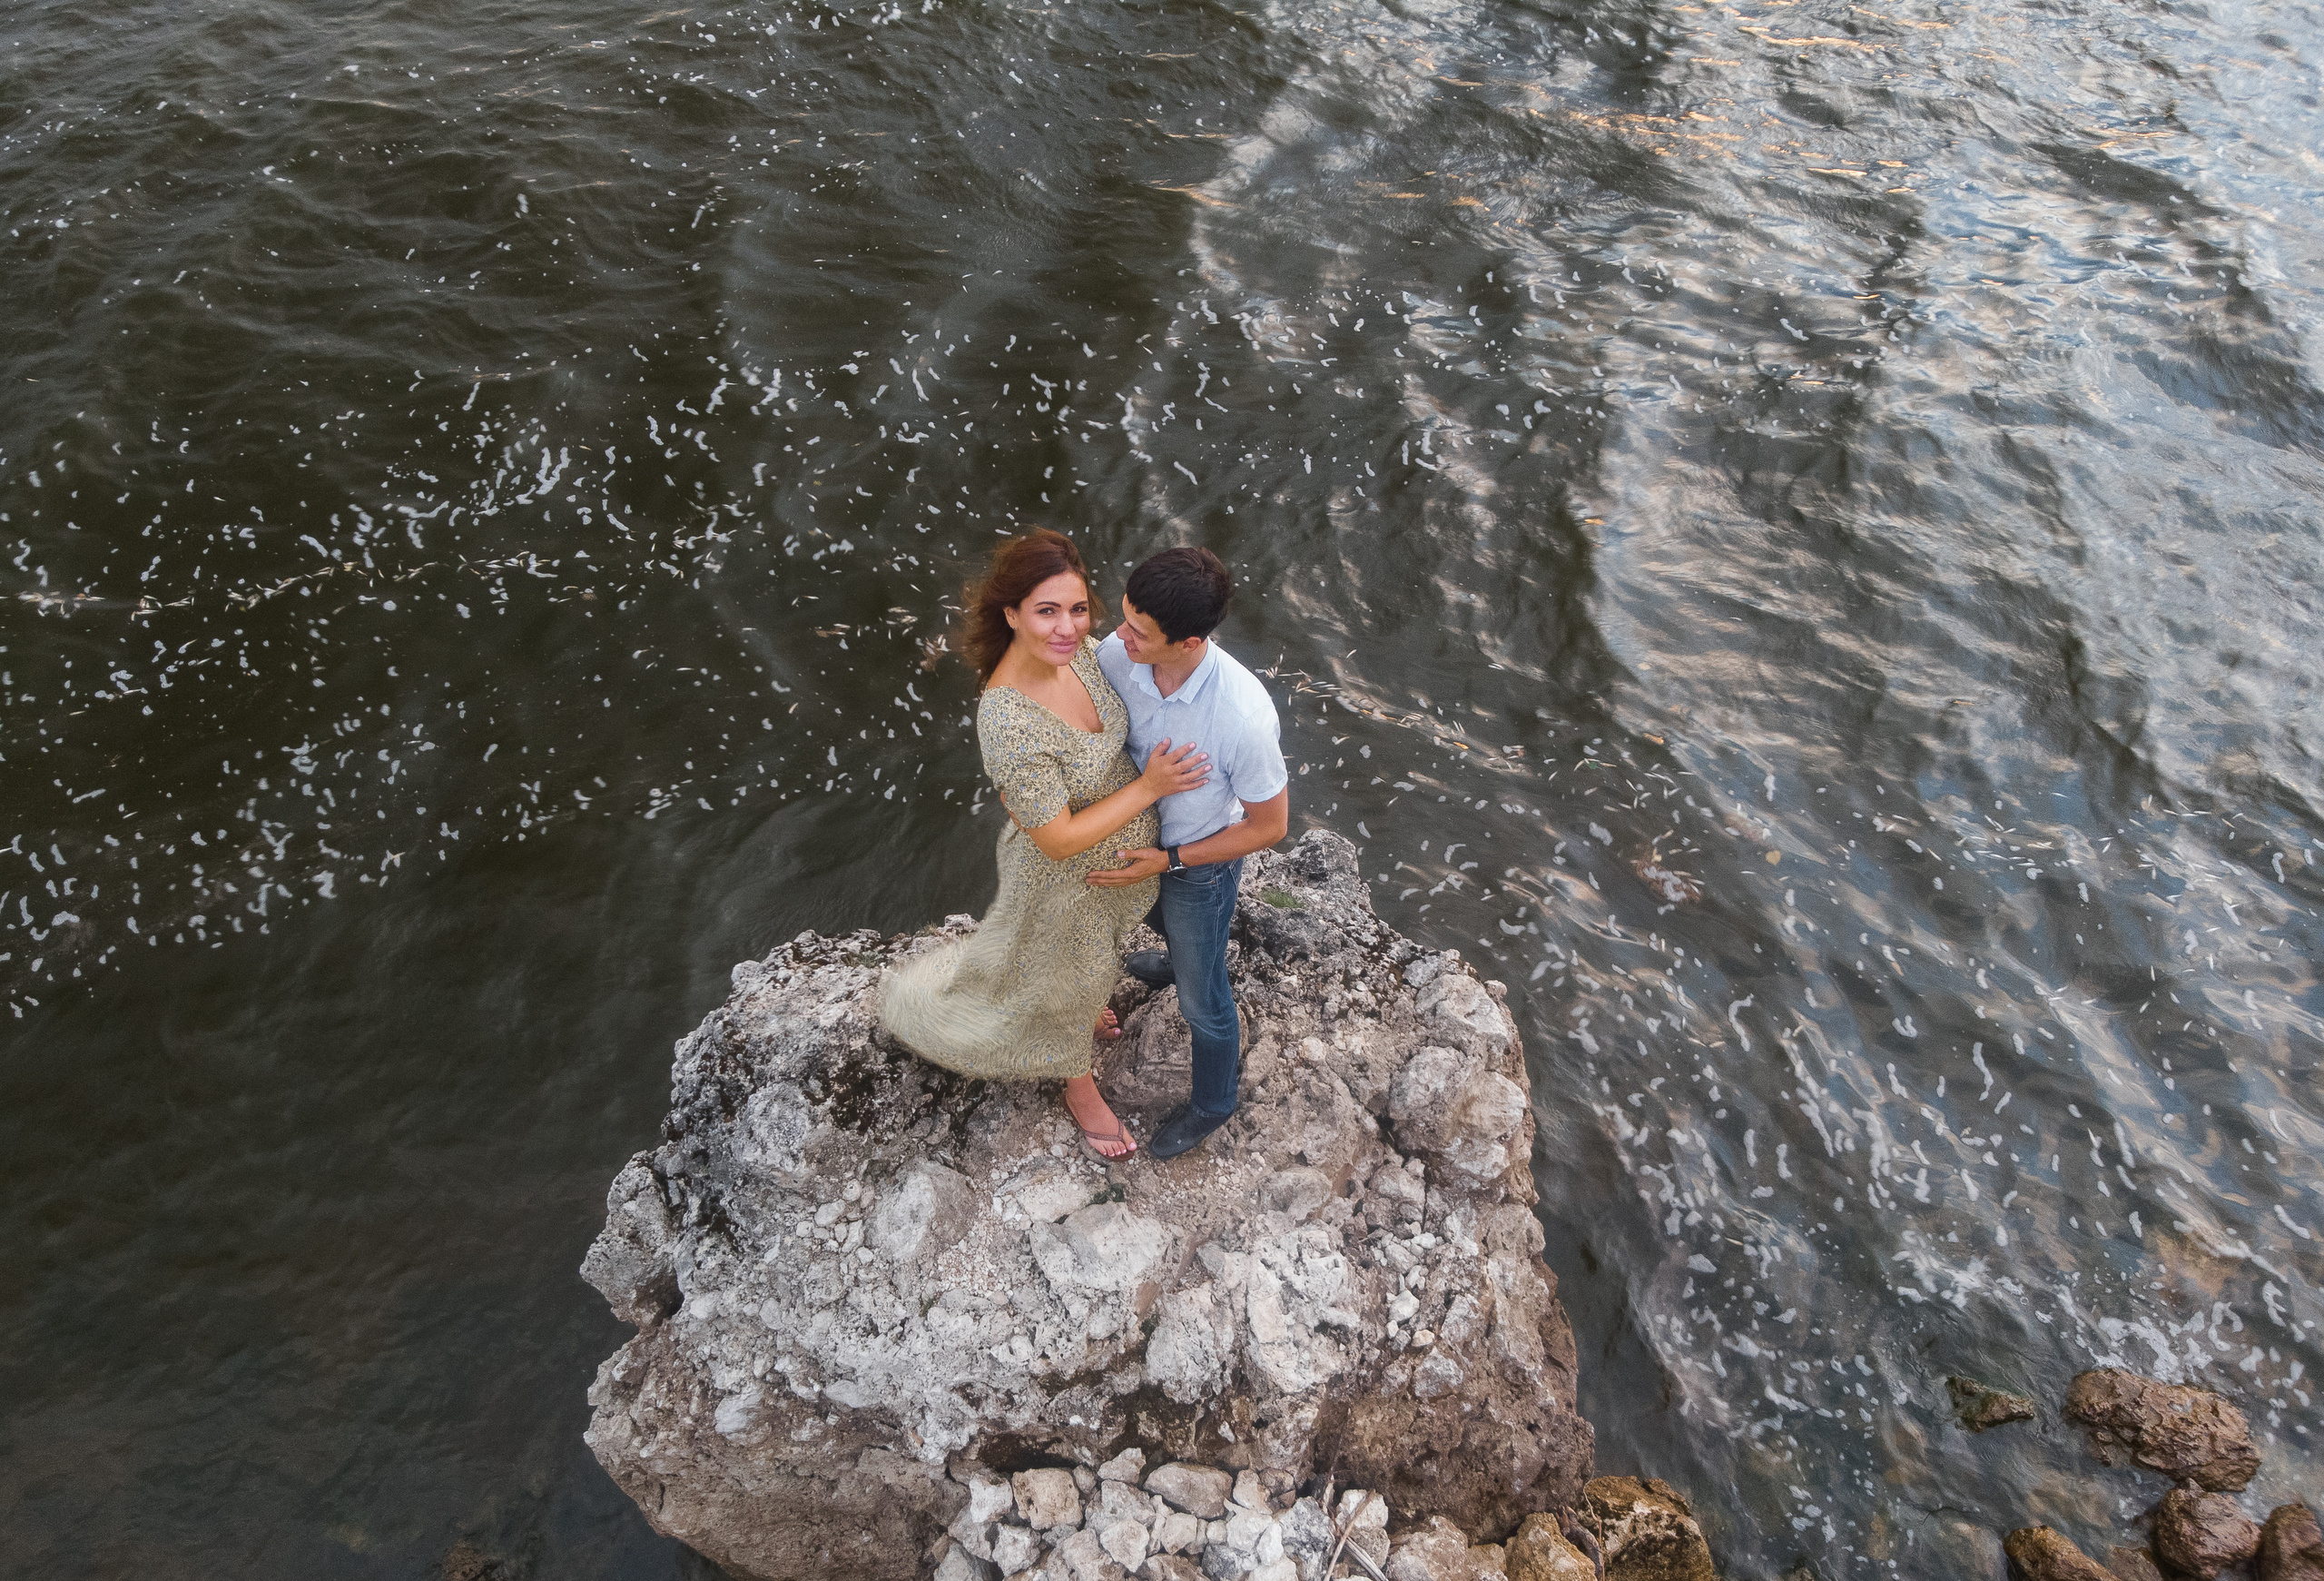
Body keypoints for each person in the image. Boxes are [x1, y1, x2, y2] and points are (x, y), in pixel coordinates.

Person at [876, 529, 1209, 1161]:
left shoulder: (1079, 652)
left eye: (1078, 607)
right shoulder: (1006, 718)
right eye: (1047, 610)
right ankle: (1078, 1088)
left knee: (1091, 970)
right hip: (1069, 879)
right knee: (1068, 980)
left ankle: (1085, 1012)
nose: (1067, 626)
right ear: (1010, 613)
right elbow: (1055, 840)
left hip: (1116, 866)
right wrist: (1150, 788)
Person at [1089, 547, 1288, 1160]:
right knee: (1162, 930)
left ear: (1190, 640)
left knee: (1205, 1003)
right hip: (1135, 842)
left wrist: (1171, 860)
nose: (1118, 637)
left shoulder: (1242, 720)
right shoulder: (1117, 656)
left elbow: (1271, 826)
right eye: (1123, 617)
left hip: (1197, 867)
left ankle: (1213, 1102)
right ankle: (1180, 957)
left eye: (1137, 631)